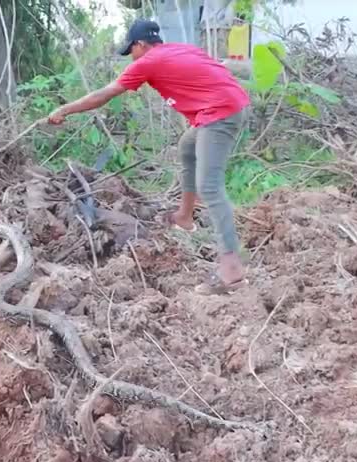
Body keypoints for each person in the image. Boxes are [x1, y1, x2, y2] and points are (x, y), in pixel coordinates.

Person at [48, 19, 250, 295]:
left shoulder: (148, 62)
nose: (130, 56)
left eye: (130, 50)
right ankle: (184, 216)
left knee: (210, 187)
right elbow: (215, 68)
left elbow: (105, 94)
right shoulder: (180, 49)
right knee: (187, 148)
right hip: (223, 108)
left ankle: (232, 272)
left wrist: (65, 109)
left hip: (219, 114)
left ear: (141, 44)